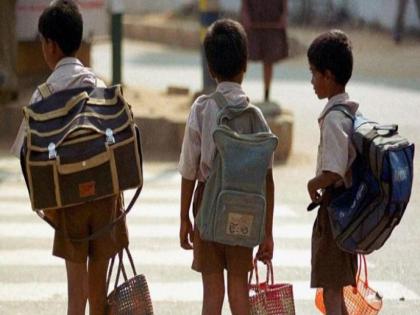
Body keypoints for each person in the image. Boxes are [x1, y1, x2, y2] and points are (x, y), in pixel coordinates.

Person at [10, 1, 128, 314]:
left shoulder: (42, 95)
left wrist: (49, 208)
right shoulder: (98, 85)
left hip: (67, 201)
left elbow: (26, 154)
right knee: (98, 293)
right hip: (104, 197)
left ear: (50, 45)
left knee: (76, 295)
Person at [178, 19, 275, 315]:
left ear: (210, 68)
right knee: (239, 293)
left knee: (212, 296)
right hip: (245, 214)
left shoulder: (202, 108)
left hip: (208, 211)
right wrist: (267, 231)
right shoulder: (255, 116)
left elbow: (188, 171)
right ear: (245, 65)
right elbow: (267, 179)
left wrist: (184, 218)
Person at [306, 29, 359, 315]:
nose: (312, 81)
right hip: (346, 212)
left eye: (314, 73)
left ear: (327, 76)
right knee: (334, 287)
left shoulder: (334, 118)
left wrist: (313, 182)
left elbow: (335, 170)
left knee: (330, 289)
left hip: (335, 211)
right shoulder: (348, 112)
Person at [241, 0, 288, 102]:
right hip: (253, 19)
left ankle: (266, 95)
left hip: (273, 20)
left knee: (268, 60)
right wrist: (245, 15)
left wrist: (284, 15)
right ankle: (236, 92)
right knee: (244, 56)